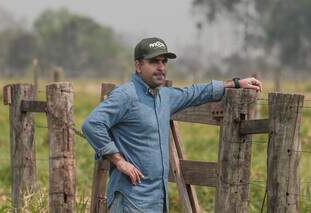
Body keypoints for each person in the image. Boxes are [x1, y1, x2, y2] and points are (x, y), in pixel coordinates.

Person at [82, 37, 262, 213]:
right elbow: (92, 124)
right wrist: (119, 161)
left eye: (164, 62)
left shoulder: (164, 96)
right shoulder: (126, 95)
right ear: (138, 66)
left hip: (156, 200)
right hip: (130, 199)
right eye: (154, 62)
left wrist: (235, 83)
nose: (161, 67)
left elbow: (194, 93)